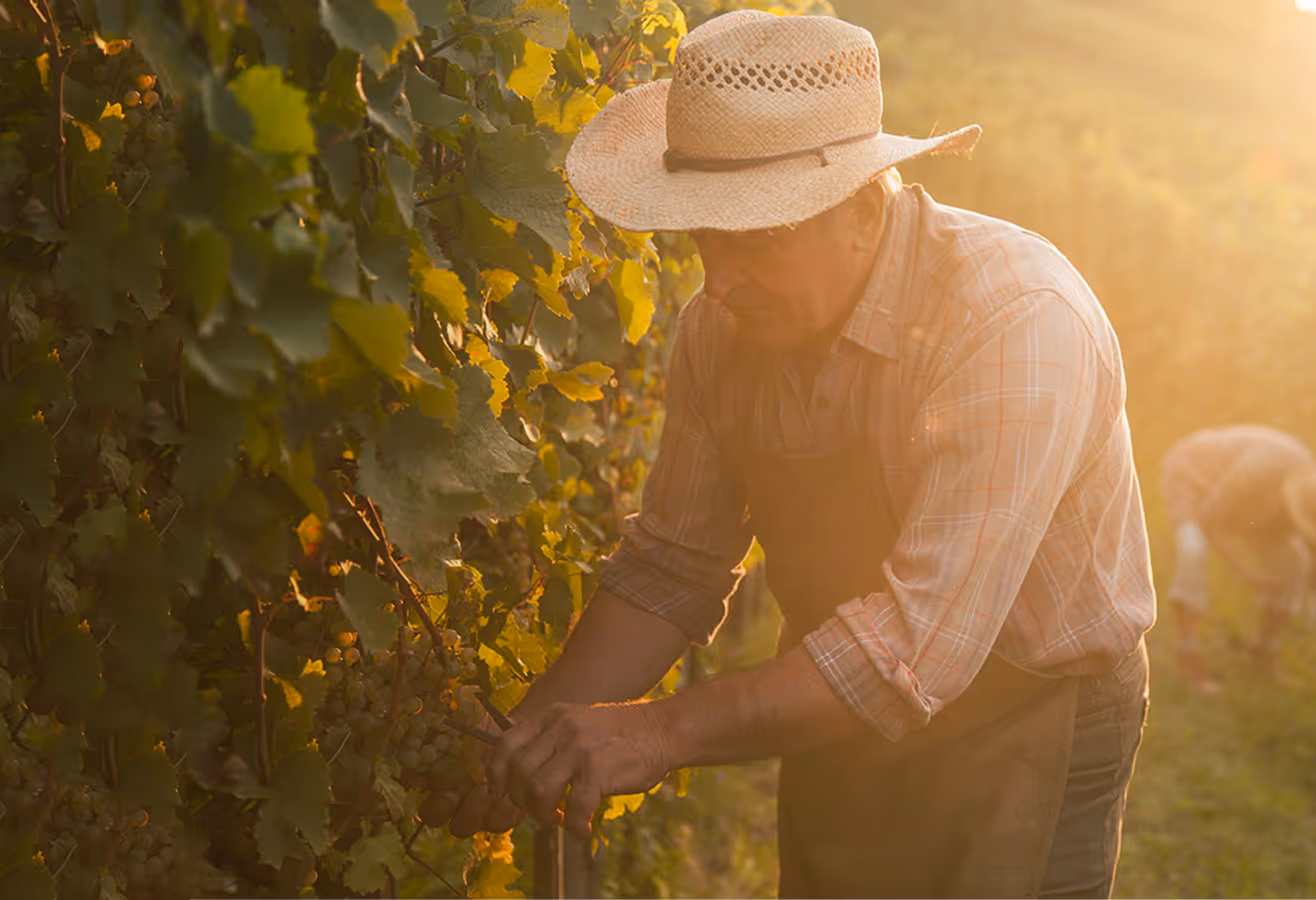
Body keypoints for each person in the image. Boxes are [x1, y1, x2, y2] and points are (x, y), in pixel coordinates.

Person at [422, 11, 1156, 897]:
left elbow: (914, 646)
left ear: (858, 209)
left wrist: (657, 732)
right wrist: (527, 740)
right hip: (834, 698)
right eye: (703, 241)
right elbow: (671, 567)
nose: (720, 283)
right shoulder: (720, 330)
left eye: (757, 242)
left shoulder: (1015, 321)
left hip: (1029, 708)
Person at [1160, 424, 1316, 700]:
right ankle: (1188, 654)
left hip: (1251, 506)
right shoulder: (1260, 471)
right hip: (1192, 476)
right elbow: (1211, 519)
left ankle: (1264, 654)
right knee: (1193, 548)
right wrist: (1246, 572)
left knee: (1296, 561)